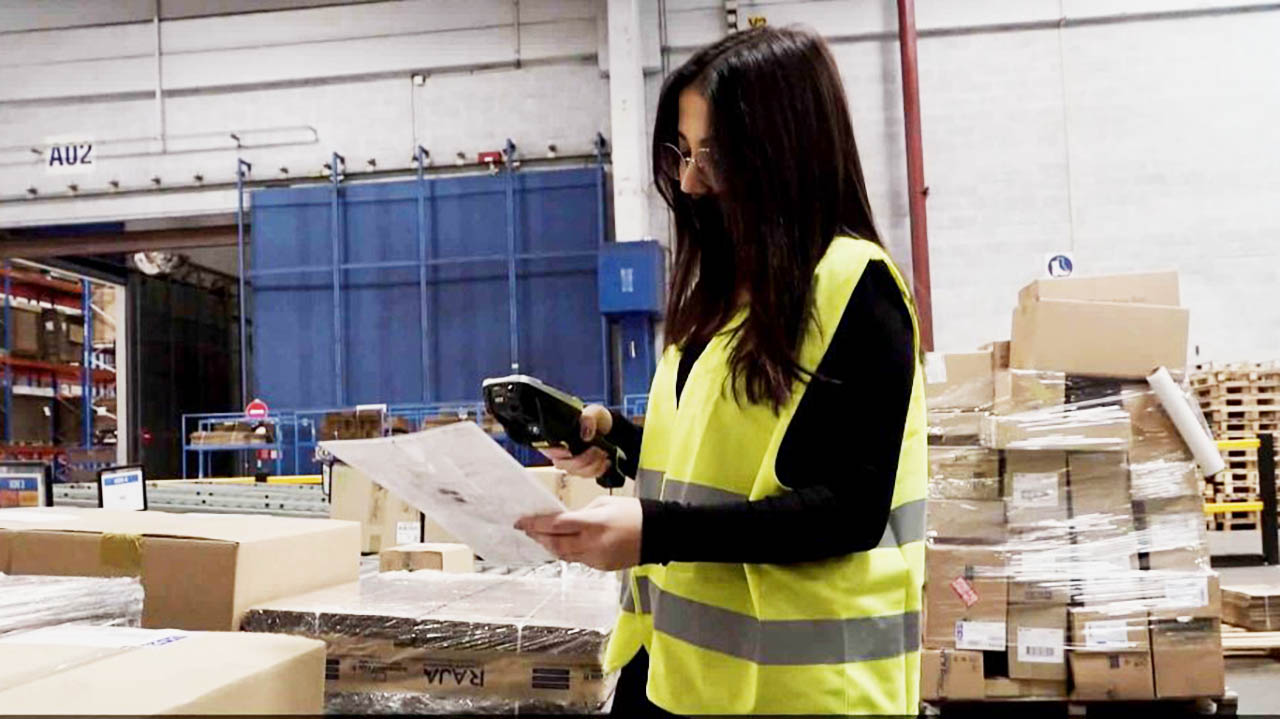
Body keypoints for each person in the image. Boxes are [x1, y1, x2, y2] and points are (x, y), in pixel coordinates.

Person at [515, 25, 926, 716]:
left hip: (807, 694)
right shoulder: (726, 295)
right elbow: (715, 462)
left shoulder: (855, 288)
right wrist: (615, 441)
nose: (689, 180)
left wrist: (657, 531)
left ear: (785, 154)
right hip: (683, 674)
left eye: (714, 155)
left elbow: (849, 507)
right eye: (682, 151)